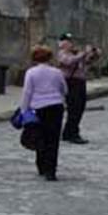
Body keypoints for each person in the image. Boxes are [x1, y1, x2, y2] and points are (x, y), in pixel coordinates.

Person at [20, 45, 68, 181]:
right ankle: (51, 170)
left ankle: (41, 166)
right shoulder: (57, 72)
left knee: (40, 137)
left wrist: (24, 110)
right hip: (55, 106)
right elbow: (64, 88)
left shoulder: (31, 72)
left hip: (38, 107)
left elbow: (27, 92)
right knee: (53, 139)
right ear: (49, 57)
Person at [57, 34, 99, 144]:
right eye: (68, 42)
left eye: (71, 41)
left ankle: (69, 131)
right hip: (70, 83)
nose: (71, 44)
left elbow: (88, 62)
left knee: (80, 107)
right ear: (62, 43)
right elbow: (69, 61)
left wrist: (94, 53)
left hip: (80, 82)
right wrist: (83, 53)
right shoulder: (62, 54)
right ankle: (71, 133)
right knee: (74, 108)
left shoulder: (76, 54)